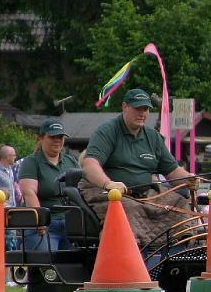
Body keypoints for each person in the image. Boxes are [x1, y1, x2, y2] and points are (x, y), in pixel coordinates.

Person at [78, 89, 198, 247]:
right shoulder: (107, 131)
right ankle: (128, 258)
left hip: (147, 195)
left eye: (146, 109)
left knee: (181, 204)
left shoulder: (153, 137)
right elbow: (90, 164)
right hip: (110, 193)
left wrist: (189, 179)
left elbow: (172, 170)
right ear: (124, 107)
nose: (142, 113)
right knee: (130, 209)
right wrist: (109, 184)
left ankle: (181, 249)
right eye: (138, 108)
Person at [19, 119, 79, 251]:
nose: (57, 140)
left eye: (60, 137)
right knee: (45, 264)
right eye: (52, 137)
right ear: (41, 138)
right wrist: (40, 219)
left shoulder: (71, 162)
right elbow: (29, 192)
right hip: (45, 225)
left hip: (71, 224)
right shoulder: (31, 162)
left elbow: (82, 189)